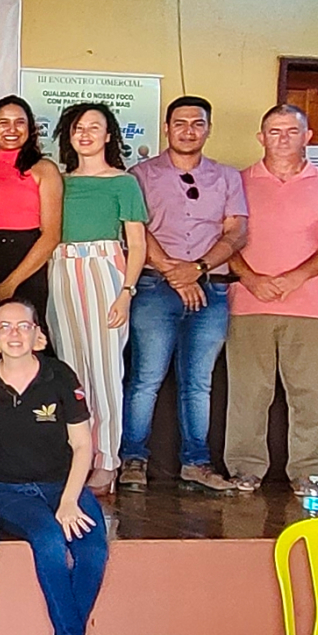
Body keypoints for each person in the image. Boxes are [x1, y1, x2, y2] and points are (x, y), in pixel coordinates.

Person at [0, 299, 107, 635]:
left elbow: (82, 446)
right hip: (4, 489)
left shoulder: (58, 375)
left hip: (60, 485)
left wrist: (69, 500)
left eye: (23, 326)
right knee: (48, 538)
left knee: (92, 549)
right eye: (4, 327)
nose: (14, 334)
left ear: (38, 334)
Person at [120, 96, 248, 493]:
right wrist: (175, 273)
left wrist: (198, 268)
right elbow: (136, 230)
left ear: (208, 129)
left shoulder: (227, 177)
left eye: (197, 123)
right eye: (180, 123)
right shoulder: (140, 174)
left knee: (198, 382)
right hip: (154, 286)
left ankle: (196, 463)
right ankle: (133, 459)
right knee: (145, 379)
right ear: (166, 128)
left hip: (211, 289)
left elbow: (236, 232)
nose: (188, 130)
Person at [225, 105, 318, 500]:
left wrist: (298, 276)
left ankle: (310, 472)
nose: (282, 138)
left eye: (291, 131)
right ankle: (245, 469)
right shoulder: (236, 182)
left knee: (310, 394)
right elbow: (221, 240)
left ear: (307, 136)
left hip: (310, 306)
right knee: (248, 393)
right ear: (260, 137)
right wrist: (251, 279)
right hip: (250, 302)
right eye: (274, 131)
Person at [48, 103, 148, 489]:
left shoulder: (123, 182)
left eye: (94, 127)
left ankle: (107, 459)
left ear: (109, 136)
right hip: (63, 270)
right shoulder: (60, 182)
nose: (85, 134)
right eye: (78, 127)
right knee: (71, 368)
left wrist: (126, 292)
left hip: (104, 270)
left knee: (105, 370)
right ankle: (79, 456)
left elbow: (137, 244)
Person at [0, 95, 61, 315]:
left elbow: (51, 235)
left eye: (19, 122)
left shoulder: (44, 169)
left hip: (28, 261)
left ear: (30, 128)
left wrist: (10, 285)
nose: (12, 129)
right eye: (4, 122)